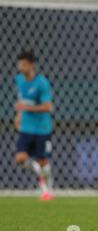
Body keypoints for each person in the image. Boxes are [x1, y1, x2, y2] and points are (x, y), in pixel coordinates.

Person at [15, 51, 54, 201]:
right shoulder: (19, 80)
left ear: (32, 65)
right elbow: (21, 100)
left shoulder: (42, 83)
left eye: (24, 64)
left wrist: (25, 109)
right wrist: (18, 116)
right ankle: (43, 179)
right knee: (20, 158)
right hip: (26, 127)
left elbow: (48, 107)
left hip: (42, 128)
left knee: (42, 161)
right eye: (19, 64)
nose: (21, 68)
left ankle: (46, 188)